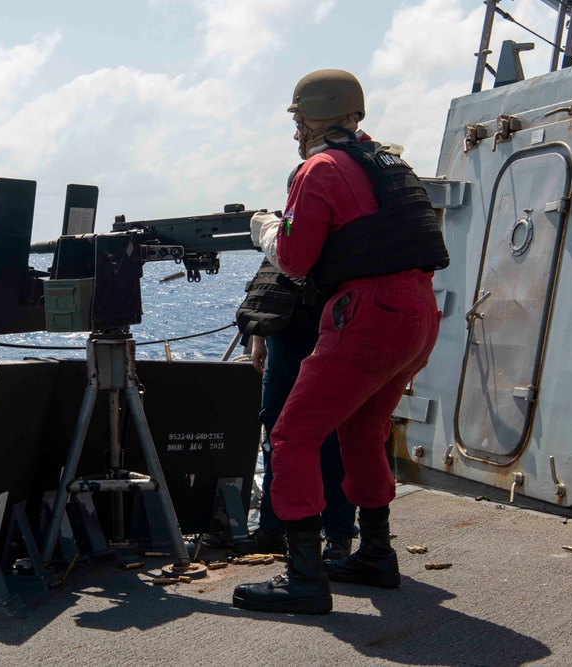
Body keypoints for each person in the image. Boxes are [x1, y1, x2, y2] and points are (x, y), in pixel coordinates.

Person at [232, 69, 449, 615]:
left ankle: (304, 577)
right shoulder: (390, 163)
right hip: (420, 312)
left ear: (309, 119)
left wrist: (265, 229)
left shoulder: (319, 168)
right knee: (361, 430)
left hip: (369, 314)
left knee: (292, 437)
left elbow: (297, 259)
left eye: (298, 120)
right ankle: (375, 554)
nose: (296, 131)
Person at [232, 181, 357, 562]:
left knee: (332, 444)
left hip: (327, 343)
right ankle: (273, 528)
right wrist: (259, 339)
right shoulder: (287, 229)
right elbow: (272, 281)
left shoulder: (346, 234)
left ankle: (336, 537)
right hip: (286, 342)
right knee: (276, 439)